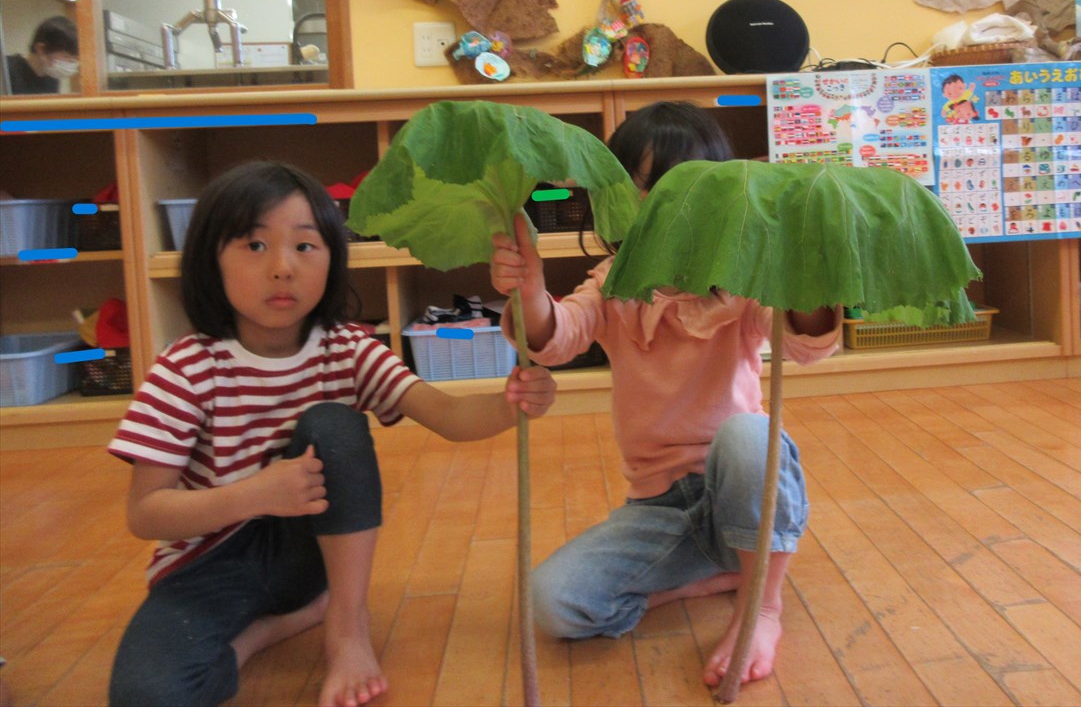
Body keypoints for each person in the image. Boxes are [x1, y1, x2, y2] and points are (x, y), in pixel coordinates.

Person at [107, 161, 556, 707]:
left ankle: (346, 625)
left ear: (332, 259)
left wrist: (511, 404)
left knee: (334, 425)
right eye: (254, 245)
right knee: (144, 696)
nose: (282, 268)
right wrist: (256, 494)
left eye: (305, 246)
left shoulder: (346, 348)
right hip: (208, 565)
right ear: (210, 259)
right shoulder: (185, 368)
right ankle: (269, 631)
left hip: (308, 557)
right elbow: (146, 513)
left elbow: (447, 415)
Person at [489, 102, 841, 689]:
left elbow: (808, 343)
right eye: (645, 186)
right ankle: (708, 576)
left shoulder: (742, 278)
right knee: (552, 602)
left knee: (747, 433)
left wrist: (803, 265)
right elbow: (555, 336)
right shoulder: (615, 282)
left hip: (740, 489)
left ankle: (763, 605)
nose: (664, 203)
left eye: (686, 185)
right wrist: (529, 288)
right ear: (615, 199)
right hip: (659, 510)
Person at [5, 15, 78, 95]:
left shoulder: (52, 77)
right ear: (41, 49)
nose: (71, 63)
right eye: (66, 56)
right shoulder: (6, 69)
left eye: (74, 58)